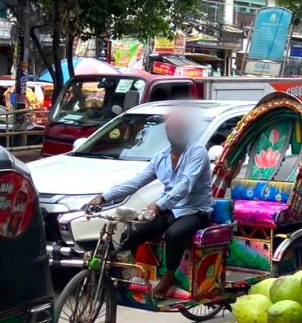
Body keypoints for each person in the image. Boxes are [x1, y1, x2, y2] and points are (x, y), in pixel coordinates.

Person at [85, 110, 213, 299]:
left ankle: (169, 278)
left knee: (174, 234)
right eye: (173, 129)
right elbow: (135, 182)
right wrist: (103, 197)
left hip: (195, 210)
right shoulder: (161, 157)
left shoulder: (197, 152)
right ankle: (126, 275)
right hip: (169, 210)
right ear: (167, 132)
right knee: (134, 234)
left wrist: (158, 205)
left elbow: (185, 186)